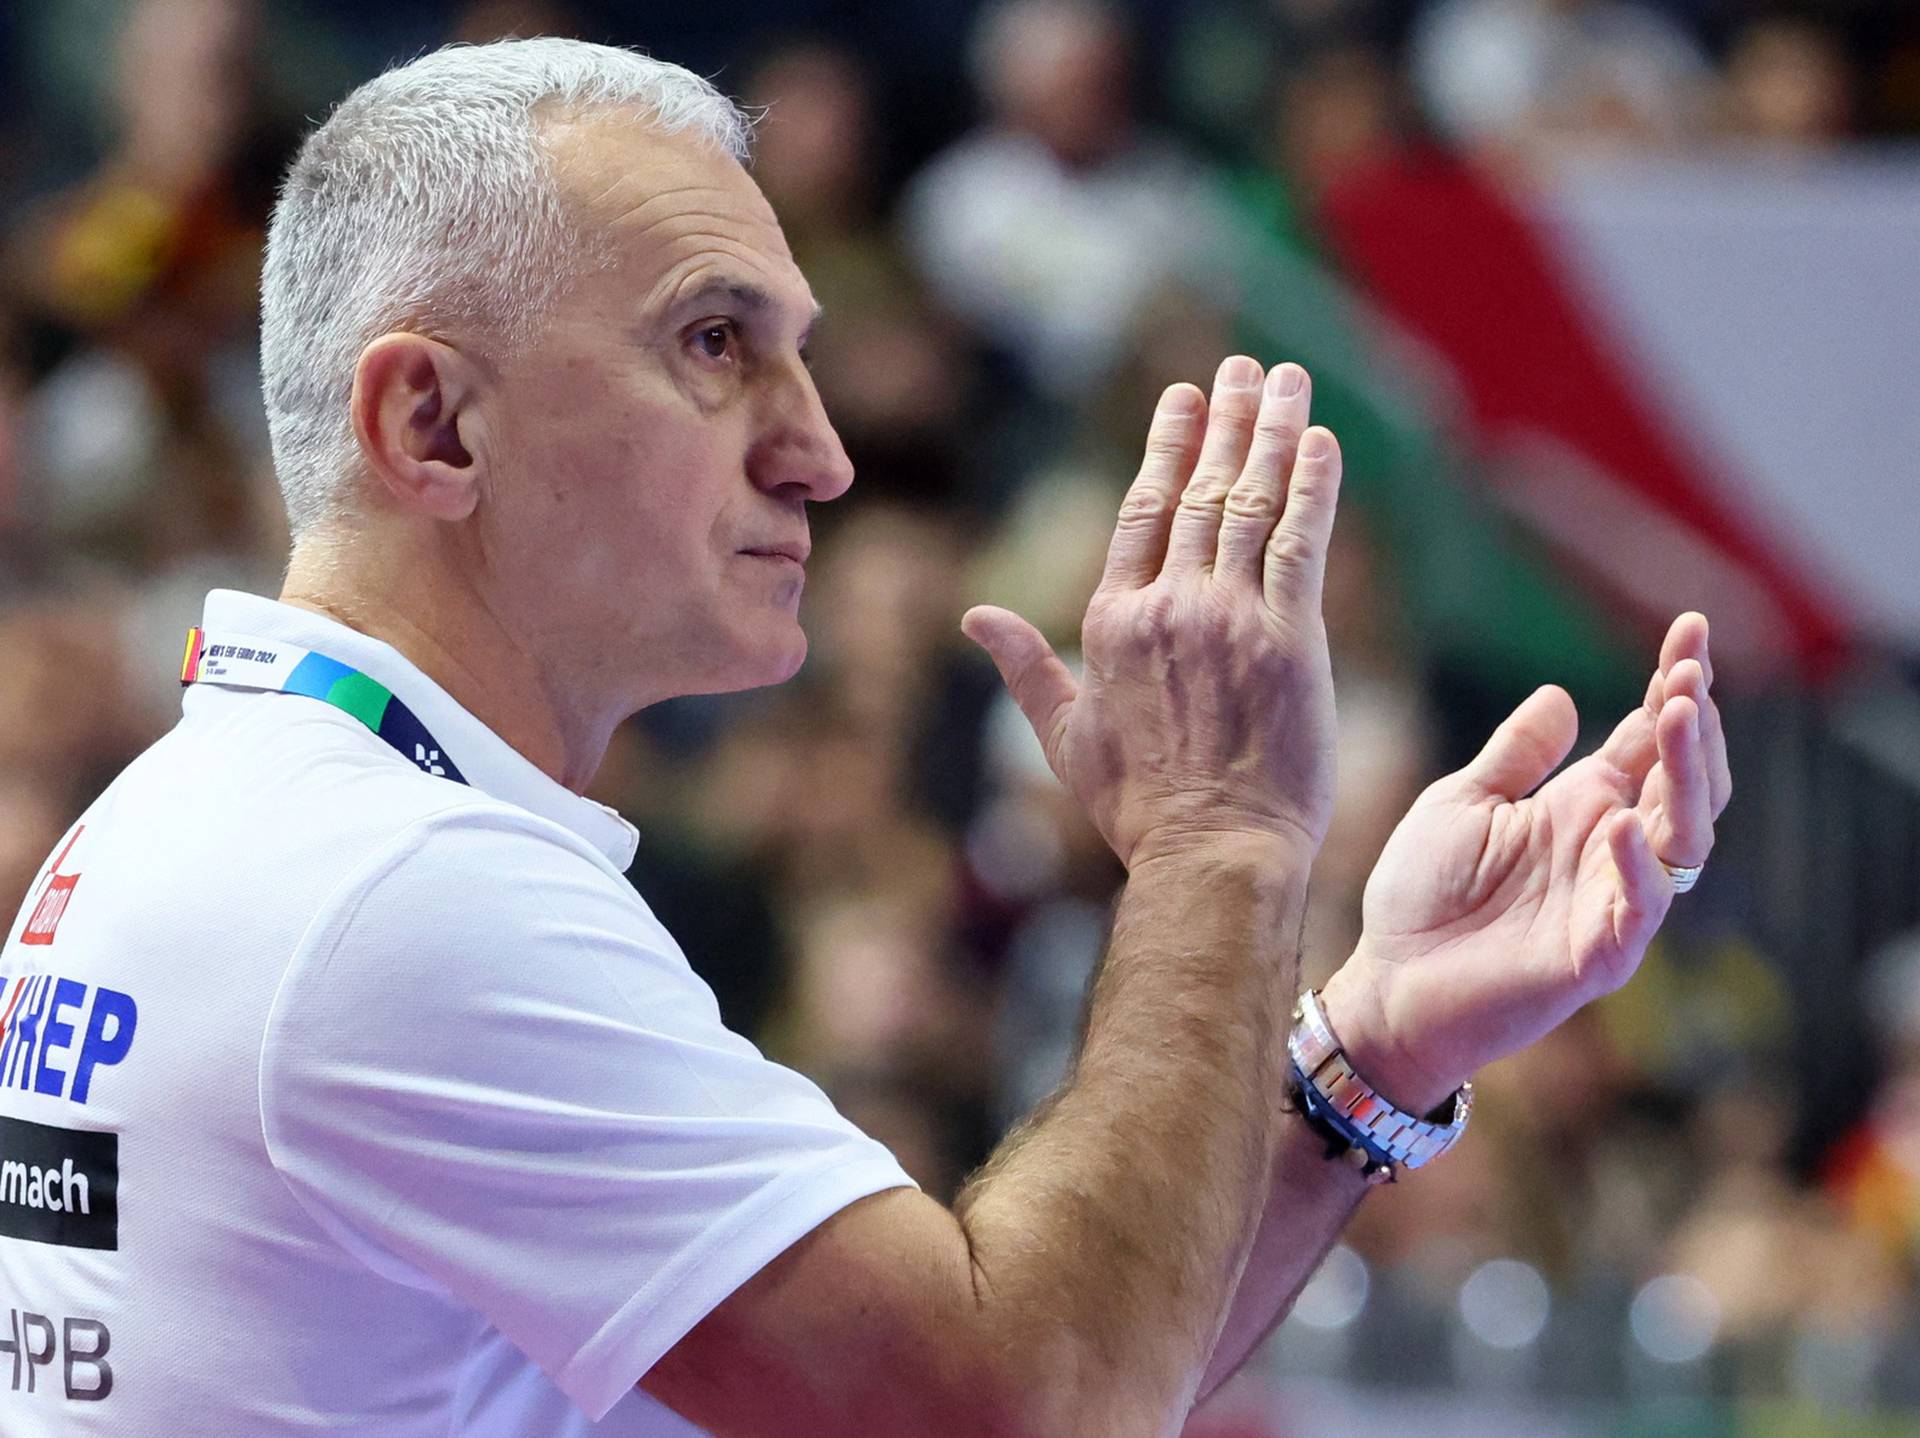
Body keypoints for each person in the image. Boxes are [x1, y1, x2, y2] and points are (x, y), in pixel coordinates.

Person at [0, 37, 1729, 1436]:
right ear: (431, 421)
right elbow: (1031, 1406)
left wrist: (1370, 1049)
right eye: (712, 343)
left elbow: (1050, 1356)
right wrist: (1222, 837)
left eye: (800, 355)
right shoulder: (394, 893)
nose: (819, 451)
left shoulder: (233, 819)